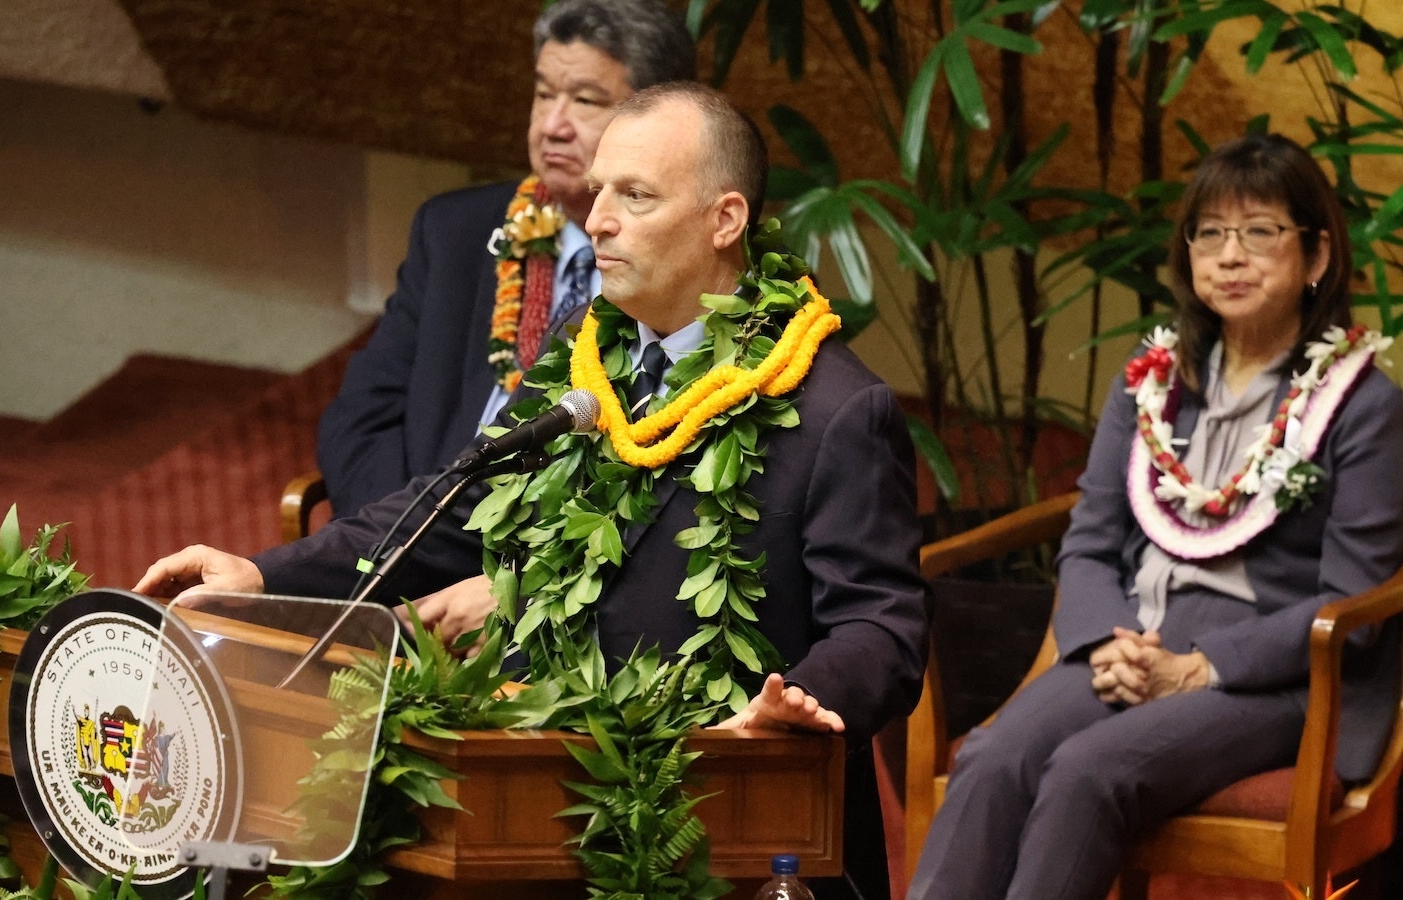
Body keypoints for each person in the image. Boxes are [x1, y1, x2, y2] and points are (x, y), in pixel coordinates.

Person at [139, 82, 928, 900]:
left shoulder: (834, 409)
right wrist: (266, 579)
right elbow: (450, 508)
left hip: (721, 826)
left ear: (725, 219)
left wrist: (798, 699)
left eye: (636, 196)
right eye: (599, 192)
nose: (598, 222)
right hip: (540, 800)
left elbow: (884, 626)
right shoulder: (584, 362)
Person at [907, 133, 1403, 900]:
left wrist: (1203, 667)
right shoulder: (1151, 382)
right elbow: (1092, 541)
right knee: (992, 758)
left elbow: (1352, 607)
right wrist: (1109, 641)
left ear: (1316, 258)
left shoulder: (1363, 407)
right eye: (1210, 233)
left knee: (1087, 771)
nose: (1230, 255)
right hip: (1136, 640)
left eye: (1261, 231)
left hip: (1276, 676)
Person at [315, 0, 695, 518]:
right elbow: (362, 417)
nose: (552, 124)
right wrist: (399, 542)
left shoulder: (680, 262)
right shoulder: (455, 232)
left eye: (584, 100)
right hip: (421, 542)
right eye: (543, 94)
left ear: (656, 120)